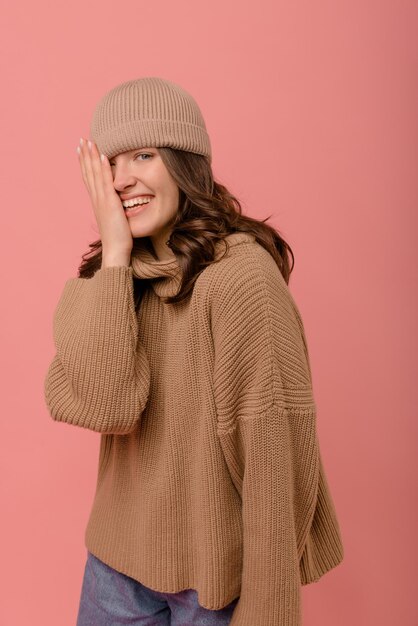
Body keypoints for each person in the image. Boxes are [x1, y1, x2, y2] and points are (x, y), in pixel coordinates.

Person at [43, 76, 344, 626]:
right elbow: (104, 407)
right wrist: (114, 251)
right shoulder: (115, 278)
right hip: (113, 568)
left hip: (211, 586)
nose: (124, 178)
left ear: (186, 163)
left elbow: (276, 462)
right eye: (110, 164)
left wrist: (268, 613)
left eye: (144, 154)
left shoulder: (240, 281)